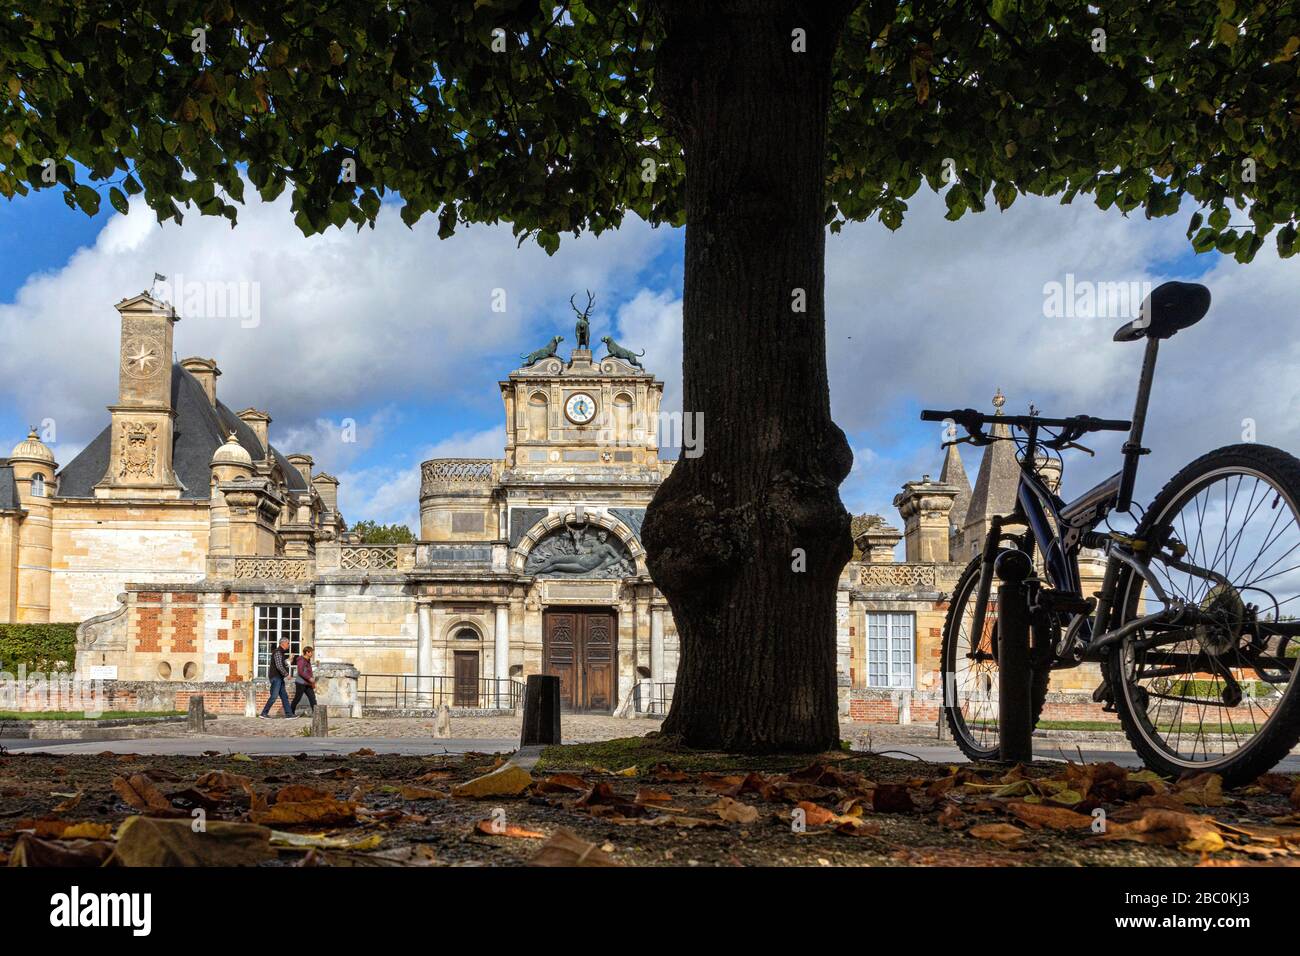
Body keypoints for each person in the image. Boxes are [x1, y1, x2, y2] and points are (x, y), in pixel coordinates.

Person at [259, 636, 293, 718]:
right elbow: (279, 666)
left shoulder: (280, 653)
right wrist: (286, 674)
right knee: (274, 696)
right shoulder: (278, 652)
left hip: (279, 678)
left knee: (284, 696)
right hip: (276, 678)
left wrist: (289, 660)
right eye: (288, 643)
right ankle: (264, 713)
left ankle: (289, 714)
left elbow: (281, 663)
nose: (289, 645)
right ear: (283, 643)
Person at [291, 646, 318, 717]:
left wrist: (312, 682)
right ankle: (290, 712)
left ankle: (316, 714)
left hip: (307, 683)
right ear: (307, 652)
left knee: (312, 698)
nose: (312, 654)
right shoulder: (301, 660)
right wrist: (309, 678)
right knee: (297, 698)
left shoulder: (307, 660)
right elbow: (300, 672)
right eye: (311, 652)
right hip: (301, 683)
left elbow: (309, 672)